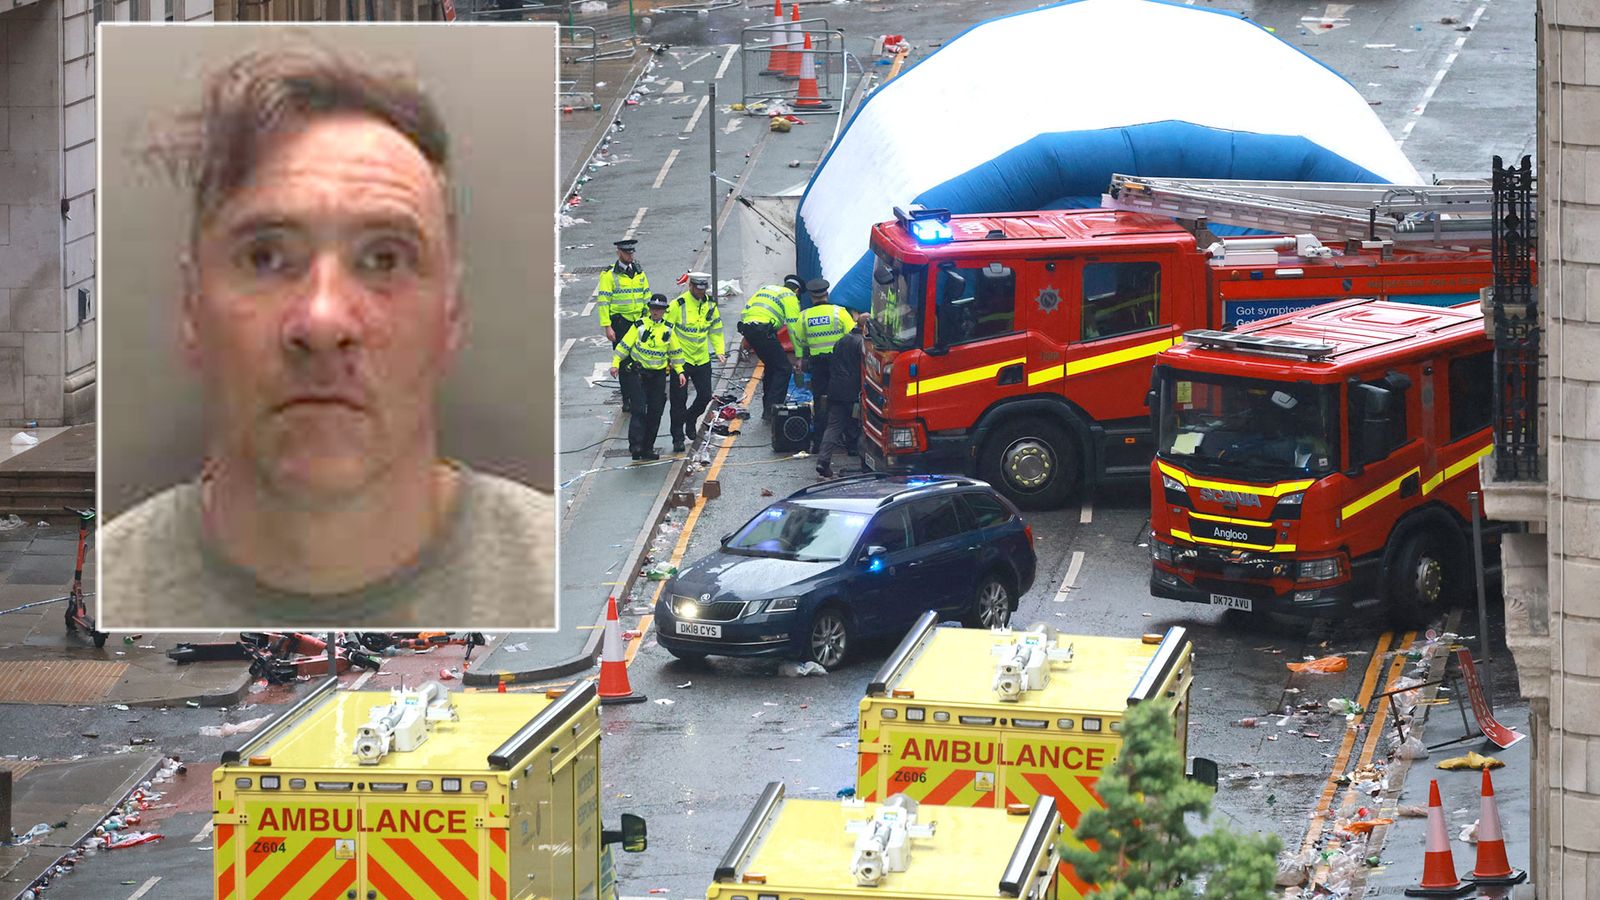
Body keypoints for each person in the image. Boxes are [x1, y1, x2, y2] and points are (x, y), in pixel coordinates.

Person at [101, 43, 555, 629]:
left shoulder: (554, 572)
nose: (322, 320)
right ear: (192, 306)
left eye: (385, 258)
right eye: (265, 256)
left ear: (452, 313)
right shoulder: (107, 589)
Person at [610, 294, 684, 461]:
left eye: (659, 309)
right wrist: (615, 363)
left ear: (664, 311)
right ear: (649, 309)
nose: (656, 312)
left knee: (655, 412)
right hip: (639, 374)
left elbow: (675, 353)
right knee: (639, 410)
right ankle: (636, 446)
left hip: (657, 376)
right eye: (653, 308)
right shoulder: (640, 326)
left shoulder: (668, 330)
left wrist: (680, 371)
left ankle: (648, 448)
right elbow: (624, 345)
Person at [793, 278, 855, 454]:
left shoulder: (804, 316)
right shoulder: (839, 312)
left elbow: (800, 340)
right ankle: (851, 444)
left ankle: (819, 443)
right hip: (840, 364)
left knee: (821, 401)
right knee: (846, 400)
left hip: (818, 365)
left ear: (812, 296)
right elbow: (851, 336)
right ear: (827, 294)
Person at [666, 271, 725, 452]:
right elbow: (666, 330)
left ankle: (690, 419)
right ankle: (677, 437)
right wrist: (668, 357)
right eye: (698, 289)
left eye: (703, 290)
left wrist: (720, 351)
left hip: (701, 358)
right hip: (681, 360)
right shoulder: (678, 305)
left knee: (705, 396)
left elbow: (715, 329)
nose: (701, 293)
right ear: (690, 286)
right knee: (678, 401)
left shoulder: (710, 305)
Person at [738, 275, 804, 419]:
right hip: (763, 331)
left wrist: (746, 339)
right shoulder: (790, 296)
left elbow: (745, 311)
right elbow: (793, 328)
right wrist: (799, 355)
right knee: (784, 368)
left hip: (749, 329)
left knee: (772, 366)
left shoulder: (765, 289)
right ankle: (773, 410)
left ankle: (768, 407)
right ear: (797, 291)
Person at [597, 238, 650, 411]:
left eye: (632, 252)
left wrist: (649, 319)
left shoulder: (639, 272)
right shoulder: (609, 275)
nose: (630, 255)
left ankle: (639, 395)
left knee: (640, 359)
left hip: (638, 322)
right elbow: (603, 301)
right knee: (623, 361)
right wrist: (607, 326)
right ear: (619, 253)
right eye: (627, 252)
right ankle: (627, 398)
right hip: (620, 323)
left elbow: (646, 295)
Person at [816, 314, 868, 478]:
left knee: (833, 427)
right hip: (854, 392)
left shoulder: (842, 340)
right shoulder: (862, 343)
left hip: (836, 390)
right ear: (866, 327)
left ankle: (822, 461)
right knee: (863, 427)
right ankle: (865, 464)